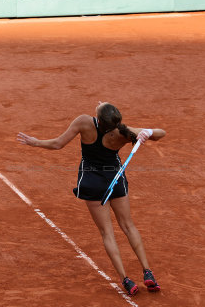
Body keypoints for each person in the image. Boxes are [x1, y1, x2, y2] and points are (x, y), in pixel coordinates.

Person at [17, 102, 166, 296]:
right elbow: (160, 133)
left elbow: (57, 144)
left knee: (107, 232)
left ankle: (126, 280)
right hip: (115, 178)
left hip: (92, 183)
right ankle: (148, 272)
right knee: (128, 226)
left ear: (98, 117)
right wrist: (147, 131)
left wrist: (34, 142)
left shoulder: (84, 122)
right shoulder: (123, 132)